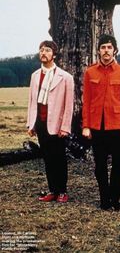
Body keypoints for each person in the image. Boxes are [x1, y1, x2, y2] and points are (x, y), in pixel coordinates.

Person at [82, 34, 120, 210]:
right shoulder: (90, 72)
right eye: (103, 47)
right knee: (100, 165)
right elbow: (86, 101)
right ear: (98, 51)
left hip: (117, 126)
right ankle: (104, 198)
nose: (106, 51)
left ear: (115, 50)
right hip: (97, 126)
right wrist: (86, 125)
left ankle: (115, 198)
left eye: (109, 47)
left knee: (118, 164)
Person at [27, 40, 74, 203]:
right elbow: (32, 101)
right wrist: (31, 124)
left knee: (59, 158)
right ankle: (52, 190)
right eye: (41, 50)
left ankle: (62, 191)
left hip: (57, 124)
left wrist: (65, 127)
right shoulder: (34, 76)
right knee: (47, 157)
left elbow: (69, 105)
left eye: (47, 50)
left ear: (54, 54)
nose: (43, 53)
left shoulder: (65, 77)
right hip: (40, 122)